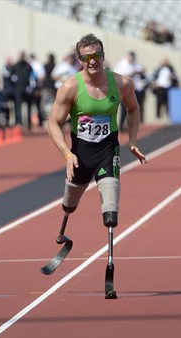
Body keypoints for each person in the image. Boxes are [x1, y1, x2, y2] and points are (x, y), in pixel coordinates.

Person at [46, 33, 148, 296]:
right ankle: (63, 232)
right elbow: (53, 123)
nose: (93, 62)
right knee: (70, 202)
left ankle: (110, 267)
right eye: (87, 57)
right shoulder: (70, 87)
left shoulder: (121, 83)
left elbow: (134, 109)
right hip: (80, 153)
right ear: (79, 60)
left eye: (97, 56)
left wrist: (133, 140)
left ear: (103, 56)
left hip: (108, 150)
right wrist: (67, 155)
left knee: (111, 210)